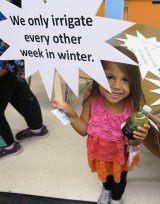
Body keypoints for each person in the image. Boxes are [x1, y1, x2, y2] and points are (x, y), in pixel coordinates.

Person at [52, 46, 150, 204]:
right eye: (109, 77)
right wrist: (70, 113)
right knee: (105, 177)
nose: (116, 86)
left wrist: (139, 138)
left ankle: (116, 199)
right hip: (100, 154)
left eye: (125, 79)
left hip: (121, 157)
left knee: (119, 181)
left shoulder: (135, 102)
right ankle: (106, 189)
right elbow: (84, 129)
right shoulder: (91, 97)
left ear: (133, 82)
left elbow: (133, 141)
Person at [0, 59, 48, 159]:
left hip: (3, 65)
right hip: (15, 59)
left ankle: (7, 147)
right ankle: (37, 129)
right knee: (21, 95)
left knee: (20, 93)